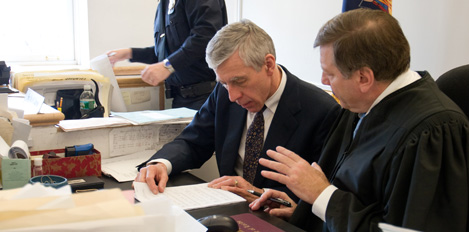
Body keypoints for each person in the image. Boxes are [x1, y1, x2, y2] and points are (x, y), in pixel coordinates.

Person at [249, 8, 469, 232]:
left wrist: (322, 195)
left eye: (330, 74)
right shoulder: (359, 107)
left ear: (364, 78)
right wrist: (309, 211)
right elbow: (360, 201)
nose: (323, 81)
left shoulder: (432, 133)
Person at [134, 20, 340, 202]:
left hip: (281, 222)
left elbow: (322, 192)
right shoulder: (224, 94)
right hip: (228, 209)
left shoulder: (321, 110)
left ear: (268, 64)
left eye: (238, 81)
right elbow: (193, 141)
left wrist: (259, 193)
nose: (232, 96)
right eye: (223, 83)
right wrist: (161, 164)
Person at [107, 0, 227, 110]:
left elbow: (205, 38)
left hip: (206, 97)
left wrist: (168, 66)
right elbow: (166, 53)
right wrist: (130, 53)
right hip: (180, 99)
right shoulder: (163, 5)